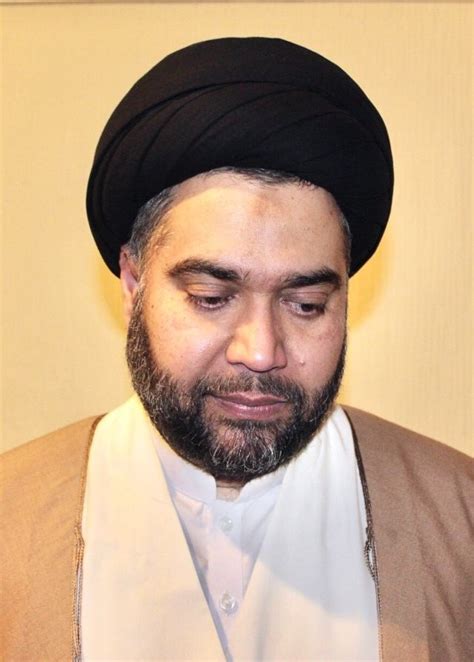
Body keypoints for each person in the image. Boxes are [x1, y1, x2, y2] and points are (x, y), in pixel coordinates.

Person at [1, 37, 472, 661]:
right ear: (133, 284)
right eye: (211, 297)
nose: (260, 351)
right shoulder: (11, 520)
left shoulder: (460, 521)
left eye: (306, 304)